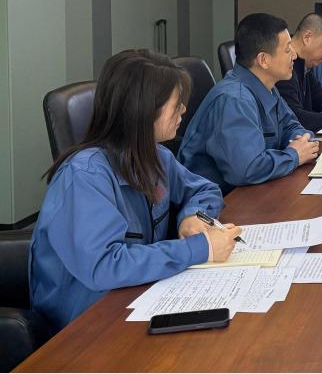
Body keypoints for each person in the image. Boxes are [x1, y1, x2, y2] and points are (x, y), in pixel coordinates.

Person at [30, 50, 240, 330]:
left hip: (137, 296)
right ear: (144, 110)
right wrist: (200, 248)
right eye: (176, 104)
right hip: (83, 323)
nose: (183, 110)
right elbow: (104, 266)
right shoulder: (84, 176)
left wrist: (192, 216)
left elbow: (204, 190)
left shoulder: (156, 157)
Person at [178, 13, 318, 195]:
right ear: (263, 60)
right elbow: (246, 169)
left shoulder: (267, 86)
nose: (294, 55)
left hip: (251, 190)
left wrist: (301, 141)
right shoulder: (235, 100)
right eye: (287, 50)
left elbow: (291, 125)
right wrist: (294, 155)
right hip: (216, 201)